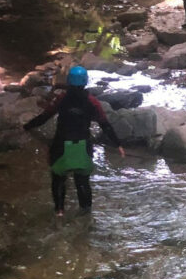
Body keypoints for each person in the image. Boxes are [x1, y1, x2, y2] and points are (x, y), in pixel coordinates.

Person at [23, 65, 125, 217]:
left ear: (69, 82)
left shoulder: (61, 99)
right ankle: (86, 215)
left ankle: (59, 211)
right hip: (82, 146)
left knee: (58, 180)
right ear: (85, 82)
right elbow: (105, 125)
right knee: (82, 182)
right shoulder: (93, 102)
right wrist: (118, 145)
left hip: (61, 146)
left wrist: (26, 126)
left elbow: (44, 117)